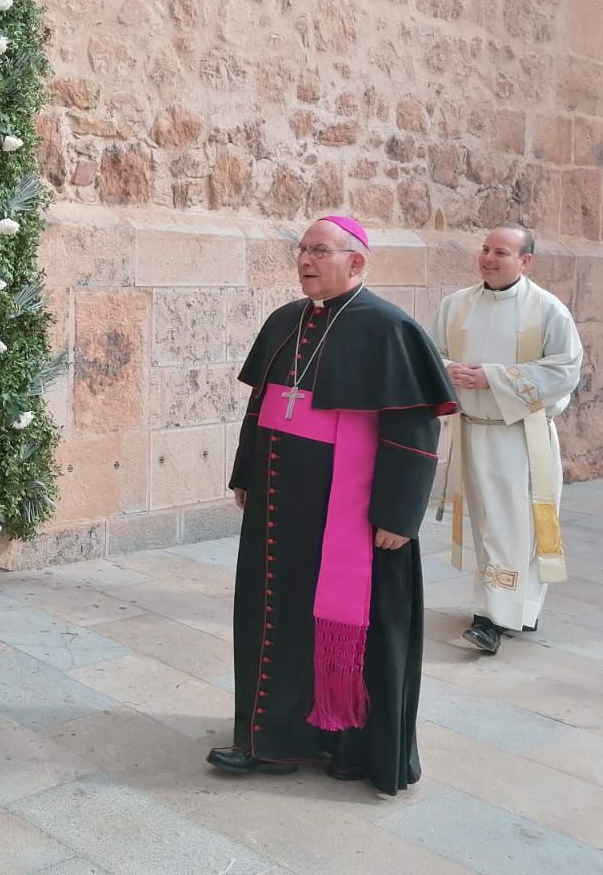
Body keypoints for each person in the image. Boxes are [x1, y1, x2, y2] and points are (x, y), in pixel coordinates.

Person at [207, 216, 456, 795]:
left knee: (353, 626)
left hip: (351, 514)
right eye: (302, 251)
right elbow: (260, 407)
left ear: (356, 261)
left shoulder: (388, 328)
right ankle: (268, 740)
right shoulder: (284, 321)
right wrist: (245, 473)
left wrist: (398, 514)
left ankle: (352, 748)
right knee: (272, 616)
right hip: (278, 509)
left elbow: (412, 429)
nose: (306, 260)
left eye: (320, 250)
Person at [429, 224, 582, 655]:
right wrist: (449, 369)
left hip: (521, 438)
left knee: (516, 528)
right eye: (484, 249)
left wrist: (491, 378)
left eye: (500, 252)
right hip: (473, 432)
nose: (488, 258)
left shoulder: (548, 310)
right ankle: (510, 610)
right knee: (487, 525)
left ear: (525, 261)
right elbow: (427, 353)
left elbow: (565, 369)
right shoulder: (455, 305)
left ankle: (492, 619)